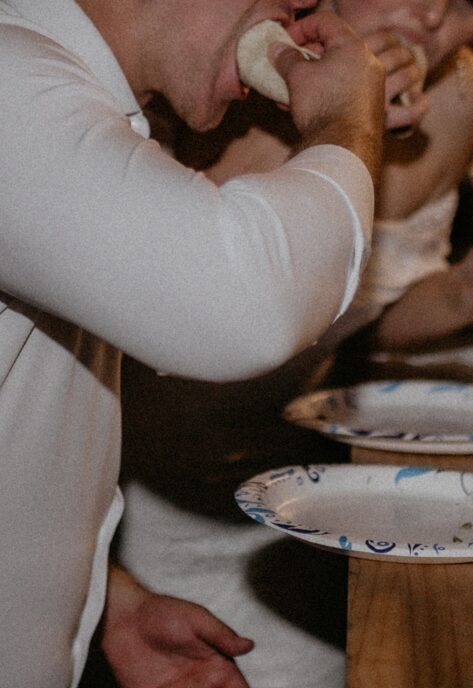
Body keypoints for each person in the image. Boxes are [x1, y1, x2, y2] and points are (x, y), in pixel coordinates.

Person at [0, 0, 428, 686]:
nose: (304, 11)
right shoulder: (10, 78)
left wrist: (98, 599)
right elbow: (249, 305)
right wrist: (346, 124)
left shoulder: (63, 88)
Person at [111, 1, 473, 687]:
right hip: (132, 503)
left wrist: (459, 297)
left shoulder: (456, 93)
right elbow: (177, 295)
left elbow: (350, 318)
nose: (437, 10)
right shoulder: (196, 54)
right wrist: (337, 130)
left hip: (297, 503)